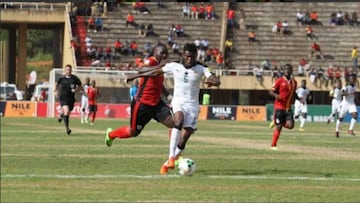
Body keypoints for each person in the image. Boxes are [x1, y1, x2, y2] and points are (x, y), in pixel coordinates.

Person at [133, 43, 220, 175]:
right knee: (178, 122)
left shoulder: (201, 68)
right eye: (187, 56)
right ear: (183, 56)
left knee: (185, 136)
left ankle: (169, 161)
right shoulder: (174, 65)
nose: (189, 59)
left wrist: (213, 81)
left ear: (195, 56)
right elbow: (156, 71)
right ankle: (171, 158)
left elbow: (215, 79)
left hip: (193, 106)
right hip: (178, 102)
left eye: (192, 57)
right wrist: (136, 76)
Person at [104, 43, 174, 150]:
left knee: (174, 124)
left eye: (166, 54)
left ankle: (174, 157)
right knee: (133, 132)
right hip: (143, 103)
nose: (164, 56)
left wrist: (169, 97)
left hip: (156, 104)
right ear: (155, 52)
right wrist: (160, 66)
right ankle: (111, 135)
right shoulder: (151, 61)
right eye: (162, 53)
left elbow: (159, 85)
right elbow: (141, 70)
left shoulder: (160, 68)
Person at [269, 64, 297, 150]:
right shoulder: (279, 81)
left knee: (291, 125)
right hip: (279, 107)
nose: (287, 70)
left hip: (288, 108)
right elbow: (271, 91)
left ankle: (276, 121)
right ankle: (273, 145)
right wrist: (276, 95)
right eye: (285, 69)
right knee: (279, 126)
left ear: (291, 70)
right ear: (284, 71)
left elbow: (294, 93)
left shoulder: (294, 82)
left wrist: (299, 99)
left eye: (289, 69)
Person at [54, 64, 82, 135]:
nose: (68, 71)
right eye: (67, 70)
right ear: (65, 70)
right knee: (66, 111)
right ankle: (67, 129)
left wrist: (76, 90)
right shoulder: (61, 79)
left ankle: (61, 115)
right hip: (63, 97)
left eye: (69, 70)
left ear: (71, 70)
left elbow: (80, 87)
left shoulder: (75, 78)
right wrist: (55, 91)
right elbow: (56, 84)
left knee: (68, 112)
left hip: (71, 98)